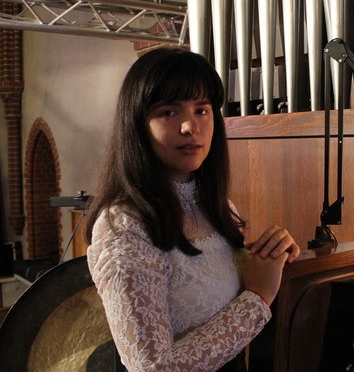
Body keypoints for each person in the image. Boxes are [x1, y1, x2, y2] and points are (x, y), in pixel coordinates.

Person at [85, 48, 300, 372]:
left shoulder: (218, 208)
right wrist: (256, 298)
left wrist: (274, 255)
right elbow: (152, 367)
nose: (190, 126)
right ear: (138, 125)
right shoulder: (124, 226)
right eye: (169, 111)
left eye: (201, 109)